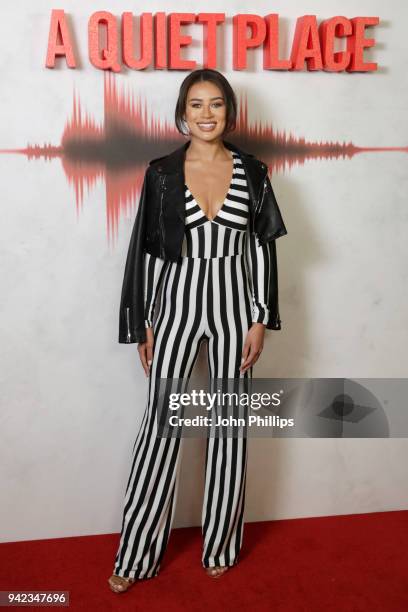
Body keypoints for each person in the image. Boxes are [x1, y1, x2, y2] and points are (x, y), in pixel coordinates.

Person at [108, 68, 287, 593]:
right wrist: (141, 321)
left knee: (229, 428)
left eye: (216, 105)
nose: (206, 114)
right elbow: (143, 249)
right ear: (182, 113)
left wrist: (261, 317)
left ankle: (222, 546)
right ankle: (137, 554)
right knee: (161, 426)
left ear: (228, 112)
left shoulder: (253, 172)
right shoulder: (161, 172)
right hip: (176, 305)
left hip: (236, 306)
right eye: (196, 105)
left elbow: (263, 248)